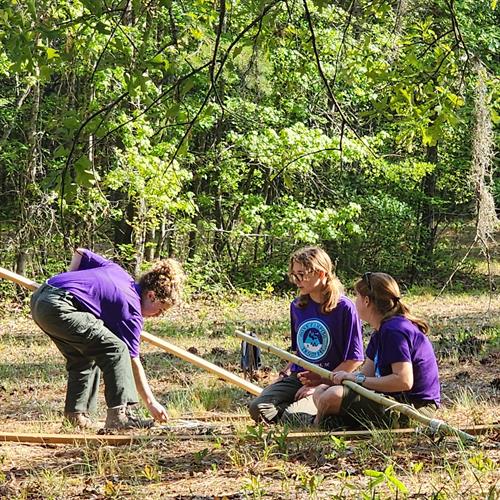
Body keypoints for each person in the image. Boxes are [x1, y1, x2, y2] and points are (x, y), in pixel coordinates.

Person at [30, 248, 185, 430]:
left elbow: (81, 254)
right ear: (151, 295)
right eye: (161, 309)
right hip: (60, 306)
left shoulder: (119, 272)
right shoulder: (131, 312)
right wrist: (151, 403)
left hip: (41, 299)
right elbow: (133, 361)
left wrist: (72, 284)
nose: (159, 315)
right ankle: (121, 417)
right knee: (117, 349)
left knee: (83, 356)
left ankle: (76, 416)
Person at [248, 246, 364, 424]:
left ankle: (313, 416)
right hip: (299, 376)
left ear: (321, 273)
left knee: (293, 418)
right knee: (258, 408)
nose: (296, 280)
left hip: (330, 378)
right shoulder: (297, 306)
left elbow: (354, 360)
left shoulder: (345, 308)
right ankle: (300, 414)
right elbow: (299, 352)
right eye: (294, 275)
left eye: (302, 274)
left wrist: (321, 384)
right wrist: (285, 372)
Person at [313, 272, 440, 429]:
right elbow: (366, 374)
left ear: (367, 301)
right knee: (322, 390)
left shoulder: (394, 331)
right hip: (389, 400)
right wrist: (347, 378)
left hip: (414, 408)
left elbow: (404, 381)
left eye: (357, 296)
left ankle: (318, 425)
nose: (355, 301)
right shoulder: (380, 331)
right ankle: (332, 422)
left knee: (331, 396)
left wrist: (354, 381)